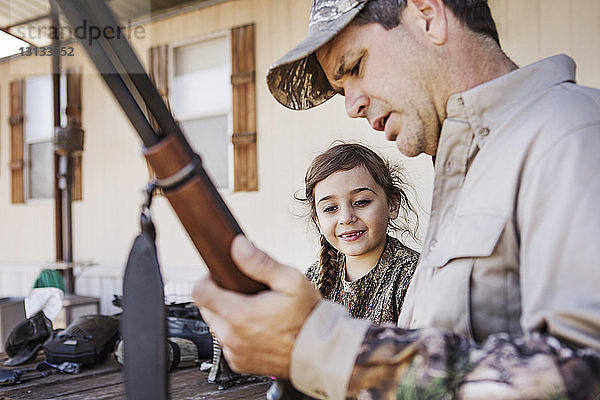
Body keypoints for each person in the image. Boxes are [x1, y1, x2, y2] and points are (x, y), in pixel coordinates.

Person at [193, 0, 600, 399]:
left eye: (354, 67)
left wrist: (321, 347)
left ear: (427, 16)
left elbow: (587, 375)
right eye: (341, 90)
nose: (352, 106)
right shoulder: (470, 167)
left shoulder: (572, 135)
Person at [300, 142, 419, 324]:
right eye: (331, 208)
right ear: (317, 220)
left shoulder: (414, 276)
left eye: (361, 202)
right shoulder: (314, 278)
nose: (346, 218)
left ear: (392, 204)